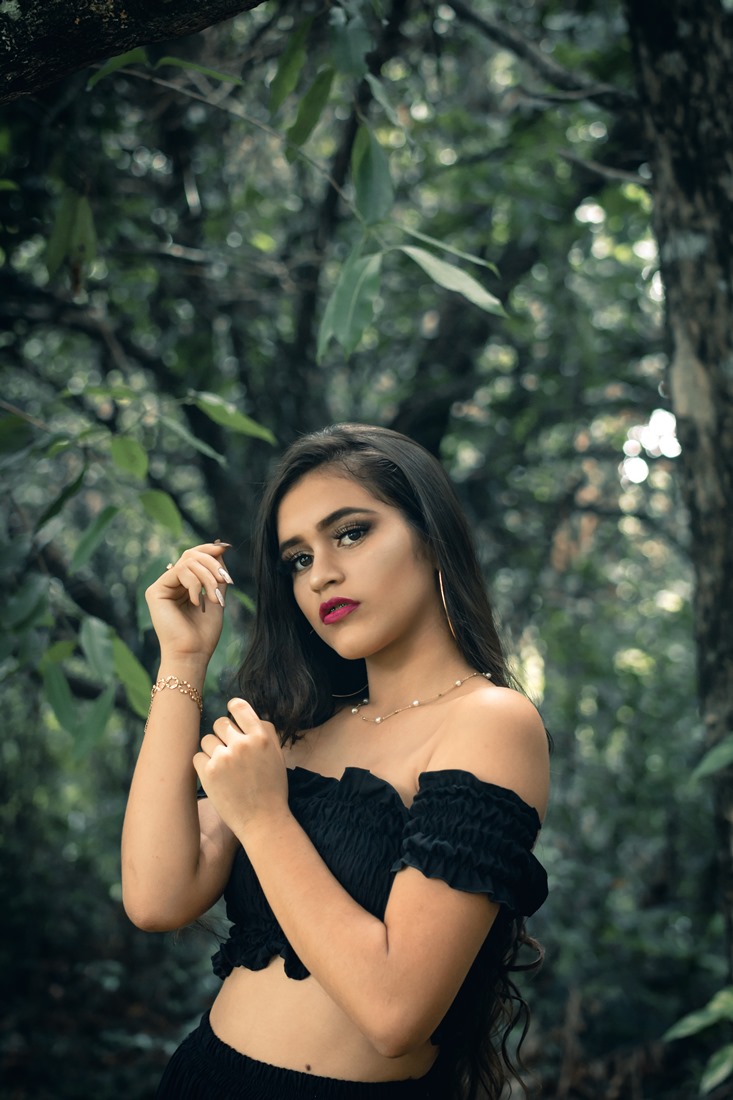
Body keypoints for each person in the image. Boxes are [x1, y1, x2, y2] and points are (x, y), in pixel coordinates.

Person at [121, 423, 550, 1100]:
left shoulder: (490, 721)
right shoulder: (303, 729)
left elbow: (394, 1014)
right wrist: (183, 659)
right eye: (297, 559)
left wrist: (264, 818)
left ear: (431, 536)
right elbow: (155, 898)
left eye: (350, 533)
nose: (320, 573)